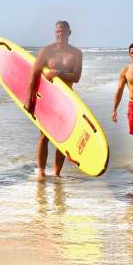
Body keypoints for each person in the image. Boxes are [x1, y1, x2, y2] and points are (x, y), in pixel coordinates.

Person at [24, 20, 83, 178]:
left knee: (62, 139)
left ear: (69, 32)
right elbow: (33, 74)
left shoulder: (76, 53)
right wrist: (29, 99)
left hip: (66, 100)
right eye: (57, 31)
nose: (60, 34)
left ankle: (57, 173)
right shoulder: (47, 51)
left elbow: (76, 77)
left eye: (63, 31)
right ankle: (41, 172)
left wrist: (58, 73)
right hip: (48, 99)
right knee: (44, 136)